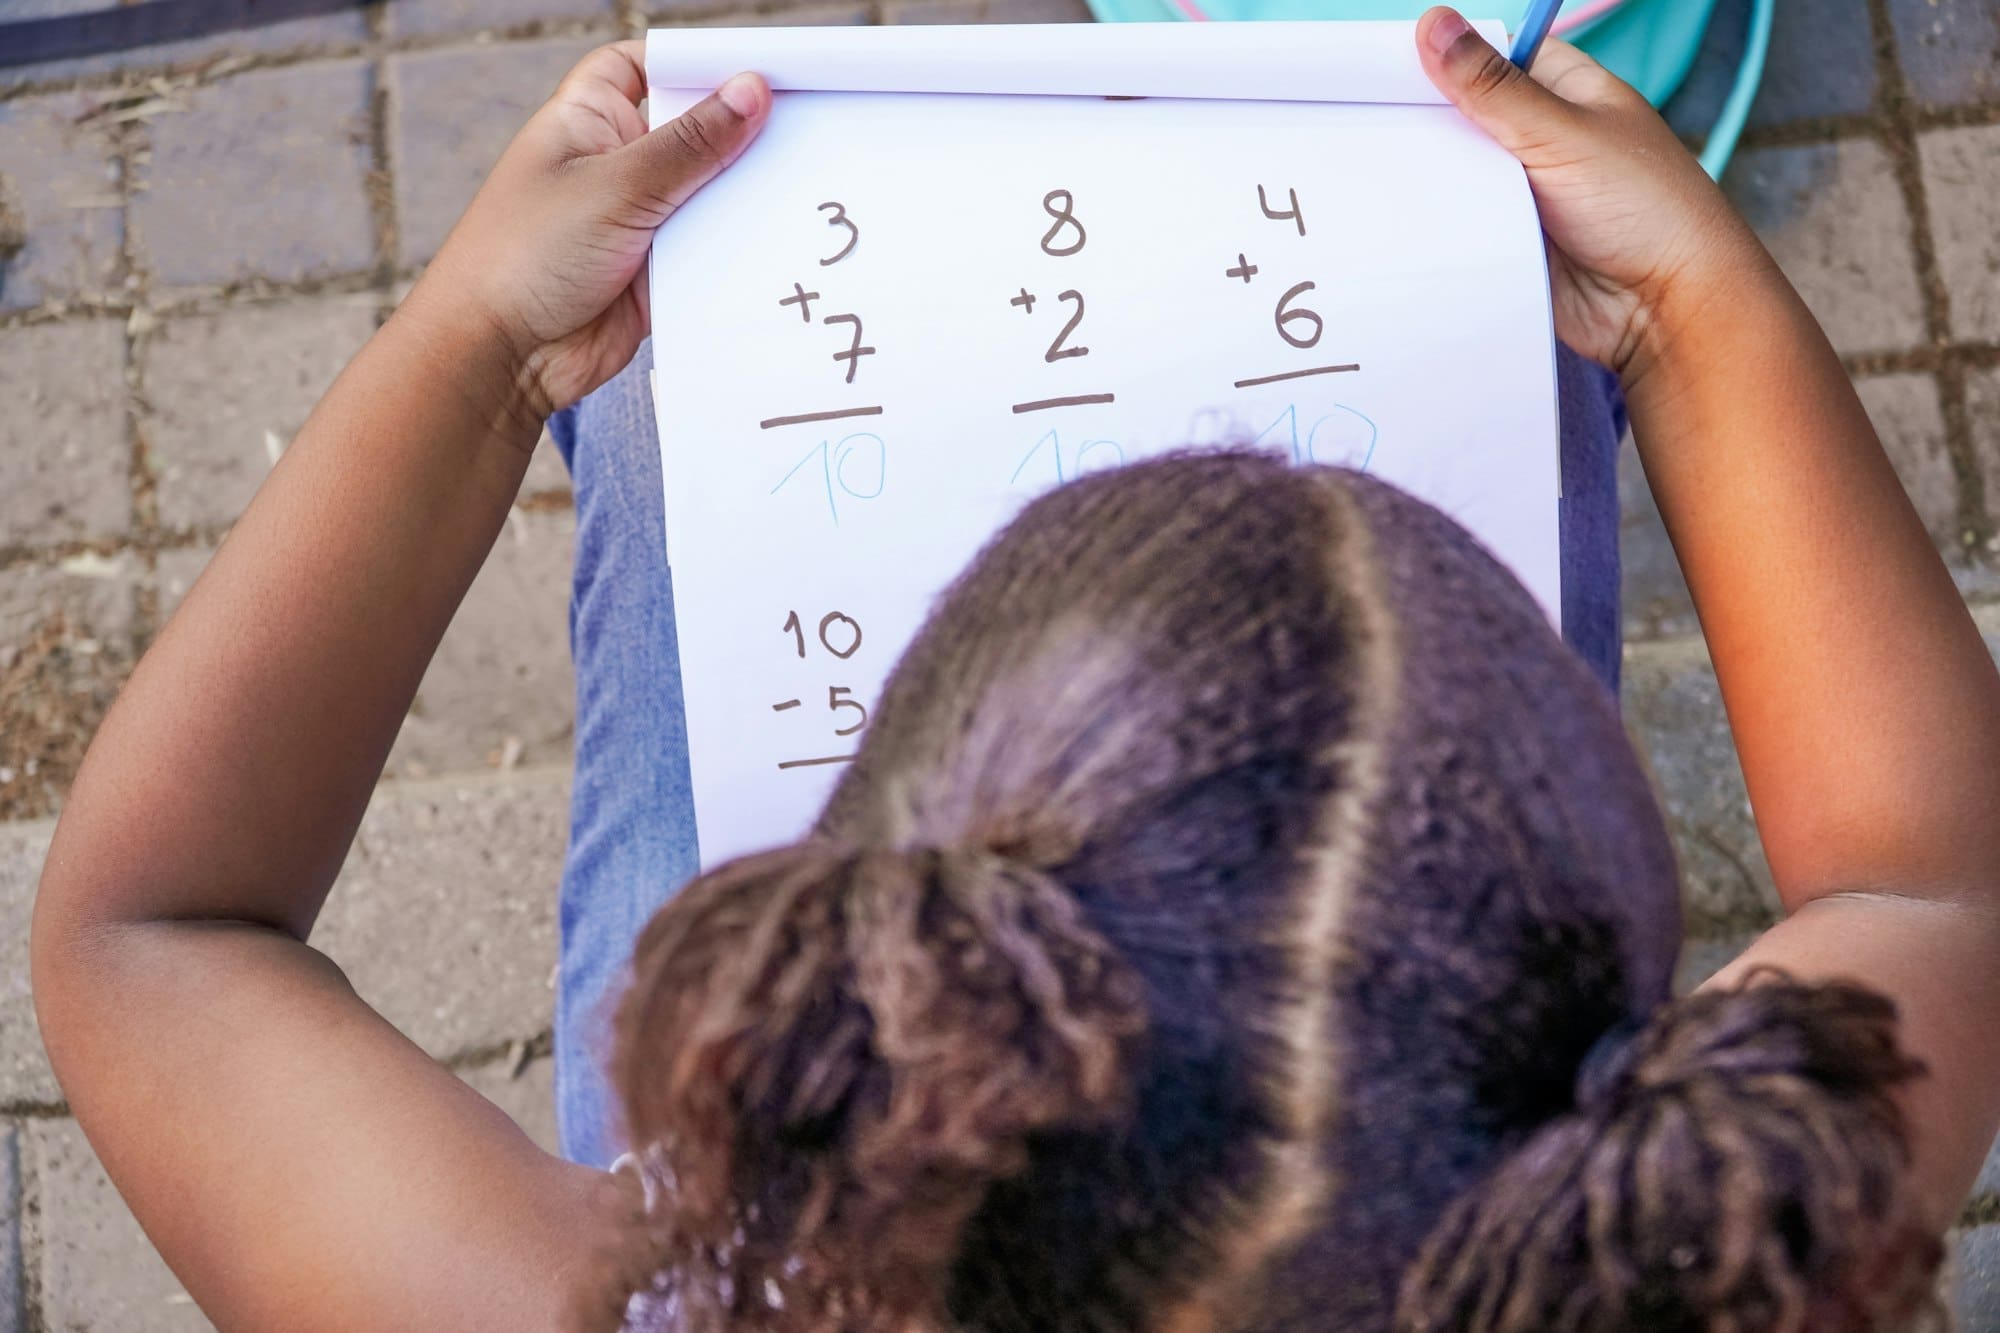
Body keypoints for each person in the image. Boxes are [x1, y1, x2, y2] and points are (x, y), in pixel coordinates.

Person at [29, 8, 2000, 1330]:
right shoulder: (1700, 1259)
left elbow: (150, 930)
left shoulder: (611, 1290)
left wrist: (486, 343)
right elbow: (1931, 878)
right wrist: (1677, 310)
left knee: (644, 421)